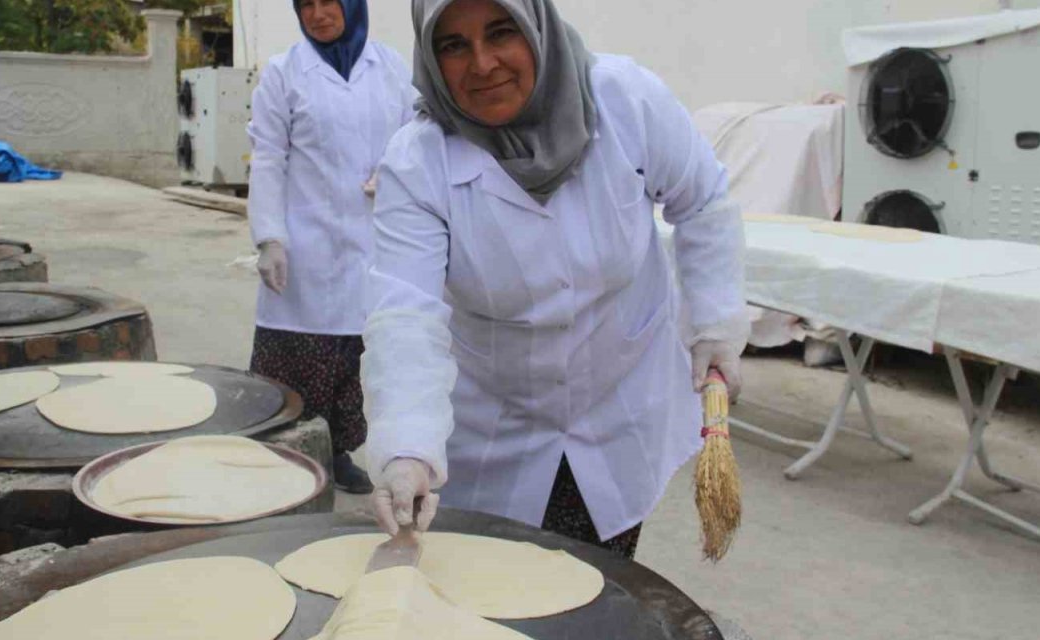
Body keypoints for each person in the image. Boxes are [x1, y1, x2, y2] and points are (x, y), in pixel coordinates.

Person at [362, 0, 748, 558]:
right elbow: (405, 310)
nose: (483, 63)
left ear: (536, 26)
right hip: (498, 426)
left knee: (600, 583)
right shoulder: (418, 162)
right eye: (453, 45)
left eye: (501, 32)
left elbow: (704, 200)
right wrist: (406, 445)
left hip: (621, 406)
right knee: (496, 591)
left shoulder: (625, 103)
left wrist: (713, 319)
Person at [247, 0, 417, 494]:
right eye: (307, 5)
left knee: (355, 355)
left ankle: (337, 451)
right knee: (298, 355)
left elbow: (418, 135)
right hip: (306, 241)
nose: (319, 14)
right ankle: (283, 453)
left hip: (373, 237)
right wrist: (269, 237)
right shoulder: (284, 73)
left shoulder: (390, 68)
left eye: (329, 2)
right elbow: (268, 156)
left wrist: (394, 169)